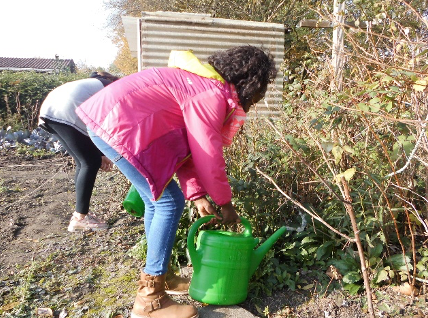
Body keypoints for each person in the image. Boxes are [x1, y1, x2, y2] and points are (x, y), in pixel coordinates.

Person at [76, 46, 277, 318]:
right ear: (251, 82)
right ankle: (150, 300)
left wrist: (197, 193)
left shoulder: (202, 86)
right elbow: (207, 152)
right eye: (261, 89)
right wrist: (225, 203)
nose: (259, 97)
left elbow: (190, 151)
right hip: (118, 125)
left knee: (156, 200)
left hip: (110, 121)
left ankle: (162, 275)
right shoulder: (211, 94)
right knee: (169, 201)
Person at [38, 71, 120, 232]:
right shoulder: (112, 86)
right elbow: (105, 122)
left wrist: (100, 152)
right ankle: (80, 217)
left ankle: (80, 214)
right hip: (66, 110)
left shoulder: (90, 84)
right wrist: (102, 153)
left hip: (49, 110)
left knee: (83, 162)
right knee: (90, 162)